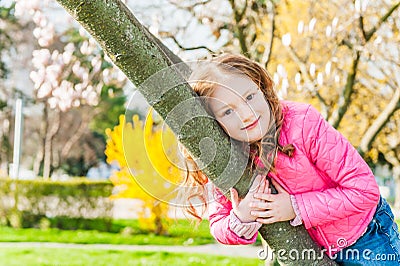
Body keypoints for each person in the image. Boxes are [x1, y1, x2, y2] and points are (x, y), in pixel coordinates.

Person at [179, 53, 400, 265]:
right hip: (310, 252)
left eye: (249, 97)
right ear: (212, 122)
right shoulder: (226, 156)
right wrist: (241, 218)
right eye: (228, 112)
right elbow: (218, 225)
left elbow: (365, 190)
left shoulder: (301, 124)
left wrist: (296, 207)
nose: (246, 114)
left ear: (262, 88)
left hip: (366, 236)